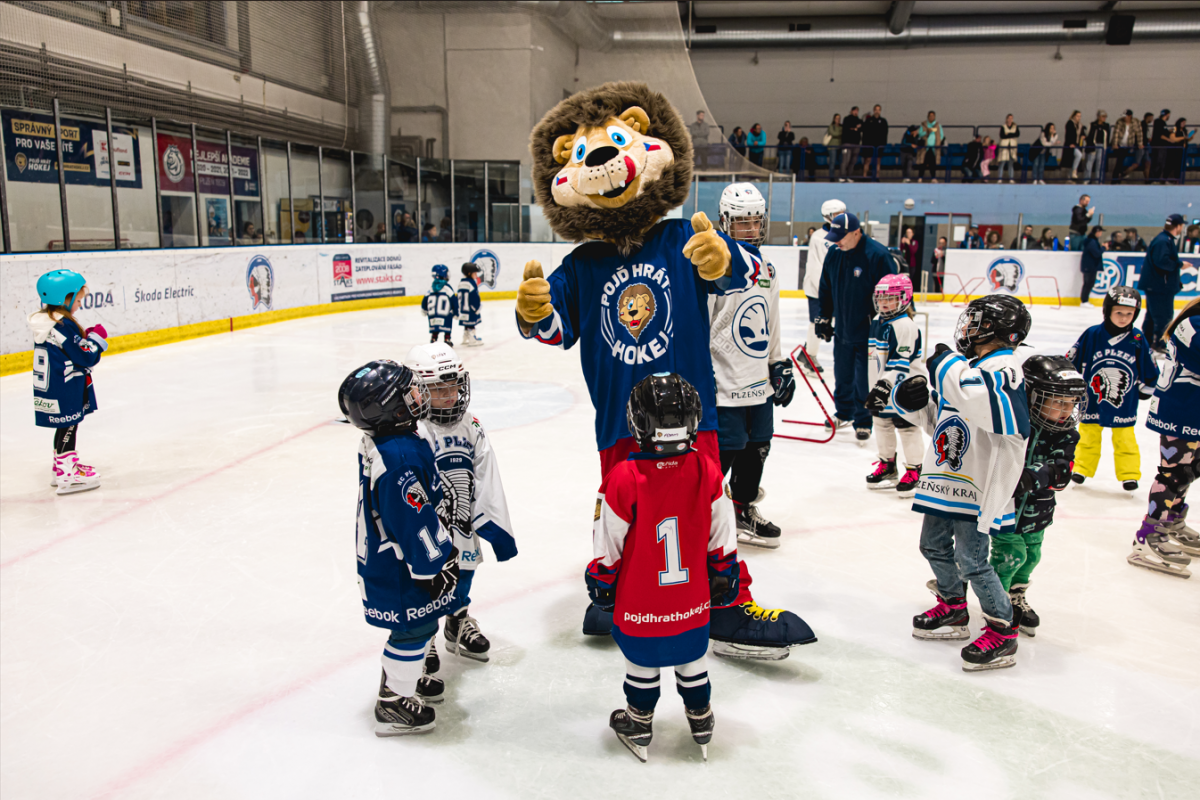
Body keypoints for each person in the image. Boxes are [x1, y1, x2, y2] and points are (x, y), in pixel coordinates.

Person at [588, 373, 742, 762]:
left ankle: (639, 721)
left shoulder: (623, 477)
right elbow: (723, 529)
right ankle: (701, 717)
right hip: (691, 600)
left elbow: (609, 541)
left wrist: (602, 579)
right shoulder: (707, 468)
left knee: (641, 662)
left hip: (640, 602)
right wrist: (724, 569)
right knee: (692, 657)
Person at [893, 294, 1032, 671]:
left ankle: (1003, 631)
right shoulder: (970, 367)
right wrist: (912, 402)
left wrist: (945, 363)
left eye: (977, 321)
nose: (968, 328)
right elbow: (943, 422)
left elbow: (982, 404)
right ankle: (954, 606)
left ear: (998, 330)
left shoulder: (1006, 368)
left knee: (972, 560)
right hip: (945, 478)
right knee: (932, 546)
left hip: (978, 486)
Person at [339, 360, 458, 736]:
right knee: (413, 628)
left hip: (393, 557)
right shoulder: (399, 460)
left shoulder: (391, 442)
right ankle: (393, 702)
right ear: (390, 409)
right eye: (409, 393)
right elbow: (411, 520)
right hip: (400, 565)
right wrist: (434, 564)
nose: (419, 395)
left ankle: (409, 677)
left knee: (420, 625)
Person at [405, 343, 517, 664]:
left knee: (464, 568)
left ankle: (457, 619)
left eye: (454, 386)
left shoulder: (472, 425)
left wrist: (492, 524)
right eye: (439, 389)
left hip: (461, 521)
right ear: (417, 390)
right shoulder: (413, 431)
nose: (450, 395)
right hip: (426, 525)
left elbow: (486, 473)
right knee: (423, 578)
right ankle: (423, 634)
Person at [709, 184, 795, 548]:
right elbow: (702, 322)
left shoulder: (767, 267)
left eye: (756, 221)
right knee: (724, 453)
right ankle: (705, 517)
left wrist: (778, 362)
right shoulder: (713, 265)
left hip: (758, 382)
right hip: (722, 382)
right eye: (743, 222)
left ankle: (742, 509)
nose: (751, 229)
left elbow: (771, 319)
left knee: (758, 447)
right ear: (725, 221)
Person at [993, 354, 1085, 637]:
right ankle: (998, 601)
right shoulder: (1015, 425)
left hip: (1038, 511)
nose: (1066, 410)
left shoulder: (1067, 435)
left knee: (1032, 556)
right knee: (1010, 554)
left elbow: (1061, 470)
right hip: (1005, 509)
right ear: (1032, 396)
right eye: (1058, 402)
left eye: (1071, 403)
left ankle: (1016, 594)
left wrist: (1032, 476)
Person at [814, 212, 899, 441]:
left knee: (864, 380)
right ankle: (844, 412)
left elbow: (893, 294)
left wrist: (888, 327)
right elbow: (825, 287)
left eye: (841, 237)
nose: (837, 242)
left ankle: (863, 420)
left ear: (856, 232)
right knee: (842, 374)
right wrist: (824, 317)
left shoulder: (877, 255)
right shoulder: (835, 253)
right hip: (843, 328)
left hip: (869, 332)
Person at [1067, 287, 1160, 492]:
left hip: (1124, 399)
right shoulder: (1092, 334)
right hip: (1092, 397)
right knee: (1088, 434)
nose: (1123, 318)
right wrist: (1069, 382)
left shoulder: (1137, 338)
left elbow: (1148, 364)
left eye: (1129, 314)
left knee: (1125, 437)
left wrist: (1148, 385)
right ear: (1107, 310)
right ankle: (1081, 468)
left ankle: (1129, 474)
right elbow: (1072, 359)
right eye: (1119, 312)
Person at [1134, 298, 1200, 577]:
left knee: (1190, 470)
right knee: (1173, 473)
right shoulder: (1193, 324)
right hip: (1179, 410)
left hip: (1192, 408)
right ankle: (1148, 534)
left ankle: (1171, 520)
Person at [28, 269, 108, 495]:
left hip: (52, 386)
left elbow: (69, 348)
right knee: (69, 426)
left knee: (64, 426)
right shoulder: (62, 325)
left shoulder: (47, 321)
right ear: (65, 298)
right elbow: (85, 356)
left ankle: (61, 468)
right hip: (65, 386)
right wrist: (96, 340)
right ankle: (67, 474)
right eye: (79, 300)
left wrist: (83, 339)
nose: (80, 305)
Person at [863, 273, 926, 494]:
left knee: (907, 427)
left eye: (889, 298)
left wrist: (883, 387)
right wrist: (875, 386)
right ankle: (888, 465)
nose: (883, 302)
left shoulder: (905, 325)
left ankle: (915, 469)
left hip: (903, 389)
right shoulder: (878, 321)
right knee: (881, 424)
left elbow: (900, 362)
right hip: (882, 387)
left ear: (904, 298)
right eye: (880, 297)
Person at [802, 199, 845, 375]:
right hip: (818, 289)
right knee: (817, 322)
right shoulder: (819, 237)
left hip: (836, 288)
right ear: (828, 216)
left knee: (834, 322)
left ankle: (807, 351)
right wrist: (825, 290)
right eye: (837, 214)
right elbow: (816, 266)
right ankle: (809, 356)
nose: (841, 217)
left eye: (842, 213)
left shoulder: (846, 234)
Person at [1139, 213, 1187, 352]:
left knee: (1153, 316)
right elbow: (1162, 261)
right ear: (1177, 226)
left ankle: (1148, 342)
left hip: (1158, 285)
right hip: (1159, 286)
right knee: (1163, 316)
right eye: (1182, 225)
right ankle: (1159, 343)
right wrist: (1179, 264)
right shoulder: (1163, 241)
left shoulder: (1165, 239)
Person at [422, 264, 457, 345]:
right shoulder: (447, 288)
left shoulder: (431, 288)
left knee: (435, 327)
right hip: (445, 315)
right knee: (447, 323)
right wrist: (456, 312)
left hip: (433, 315)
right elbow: (454, 300)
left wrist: (424, 310)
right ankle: (447, 338)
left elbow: (425, 300)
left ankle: (434, 338)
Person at [1110, 109, 1142, 184]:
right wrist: (1115, 144)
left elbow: (1139, 133)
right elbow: (1116, 133)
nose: (1124, 117)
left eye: (1126, 116)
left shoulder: (1136, 122)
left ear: (1130, 116)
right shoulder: (1120, 121)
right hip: (1120, 145)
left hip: (1129, 144)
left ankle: (1118, 177)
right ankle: (1117, 178)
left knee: (1120, 161)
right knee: (1120, 160)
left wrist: (1140, 143)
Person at [456, 262, 483, 347]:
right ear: (469, 273)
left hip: (463, 309)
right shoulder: (471, 283)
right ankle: (472, 339)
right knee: (471, 324)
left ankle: (465, 337)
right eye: (475, 273)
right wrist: (476, 308)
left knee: (466, 324)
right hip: (470, 309)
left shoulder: (461, 282)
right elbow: (474, 297)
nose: (476, 275)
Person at [1163, 117, 1195, 182]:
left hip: (1182, 150)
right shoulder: (1175, 129)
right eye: (1182, 122)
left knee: (1179, 165)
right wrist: (1184, 137)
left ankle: (1177, 179)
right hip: (1174, 150)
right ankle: (1165, 178)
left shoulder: (1184, 131)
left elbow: (1186, 139)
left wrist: (1191, 137)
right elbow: (1173, 138)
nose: (1183, 124)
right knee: (1170, 164)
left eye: (1184, 123)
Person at [1079, 225, 1105, 302]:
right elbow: (1096, 253)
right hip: (1089, 266)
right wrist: (1103, 248)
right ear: (1097, 232)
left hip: (1091, 266)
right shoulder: (1091, 241)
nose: (1101, 234)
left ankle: (1085, 300)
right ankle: (1084, 300)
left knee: (1090, 283)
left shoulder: (1092, 241)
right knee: (1088, 283)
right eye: (1100, 232)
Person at [861, 104, 888, 179]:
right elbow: (864, 133)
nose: (877, 111)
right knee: (867, 160)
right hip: (869, 144)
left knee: (878, 161)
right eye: (876, 110)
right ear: (874, 110)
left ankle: (877, 176)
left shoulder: (883, 121)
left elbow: (885, 133)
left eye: (878, 110)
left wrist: (883, 144)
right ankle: (864, 176)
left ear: (880, 111)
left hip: (879, 145)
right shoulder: (868, 120)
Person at [1082, 110, 1109, 185]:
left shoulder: (1106, 126)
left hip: (1101, 146)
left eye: (1105, 117)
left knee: (1099, 164)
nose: (1104, 118)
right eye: (1103, 116)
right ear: (1098, 117)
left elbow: (1107, 138)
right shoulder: (1092, 125)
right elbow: (1088, 135)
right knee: (1089, 163)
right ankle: (1087, 179)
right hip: (1093, 145)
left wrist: (1105, 147)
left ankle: (1099, 180)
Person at [917, 110, 943, 183]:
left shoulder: (938, 125)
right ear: (928, 117)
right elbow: (920, 134)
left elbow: (941, 136)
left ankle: (933, 177)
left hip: (934, 148)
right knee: (922, 162)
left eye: (933, 116)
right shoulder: (923, 125)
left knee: (933, 163)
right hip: (925, 148)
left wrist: (938, 143)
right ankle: (920, 177)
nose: (931, 117)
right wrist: (927, 131)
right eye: (930, 116)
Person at [840, 106, 862, 181]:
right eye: (854, 110)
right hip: (847, 143)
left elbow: (861, 128)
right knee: (846, 160)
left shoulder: (859, 120)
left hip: (856, 144)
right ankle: (842, 176)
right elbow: (847, 127)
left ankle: (849, 176)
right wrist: (854, 128)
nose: (856, 112)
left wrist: (856, 128)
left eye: (857, 111)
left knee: (853, 161)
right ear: (851, 111)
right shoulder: (847, 119)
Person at [1149, 109, 1171, 182]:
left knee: (1162, 163)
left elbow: (1164, 132)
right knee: (1157, 162)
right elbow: (1160, 134)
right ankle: (1153, 179)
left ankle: (1157, 179)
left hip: (1163, 145)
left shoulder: (1163, 123)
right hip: (1159, 145)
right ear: (1167, 115)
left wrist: (1170, 131)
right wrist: (1169, 140)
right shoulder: (1158, 122)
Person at [997, 114, 1020, 183]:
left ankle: (1011, 178)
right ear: (1006, 119)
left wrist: (1008, 134)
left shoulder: (1015, 127)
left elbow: (1017, 134)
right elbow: (1002, 135)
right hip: (1004, 147)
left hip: (1012, 147)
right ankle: (1000, 178)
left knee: (1011, 164)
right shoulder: (1003, 127)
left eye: (1011, 118)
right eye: (1009, 118)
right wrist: (1011, 135)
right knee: (1002, 163)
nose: (1010, 119)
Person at [1064, 110, 1086, 181]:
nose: (1079, 117)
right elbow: (1068, 134)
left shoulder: (1080, 125)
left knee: (1074, 160)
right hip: (1071, 145)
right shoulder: (1070, 123)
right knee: (1078, 155)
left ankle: (1070, 176)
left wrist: (1083, 136)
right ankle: (1074, 171)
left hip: (1077, 144)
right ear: (1074, 116)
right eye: (1077, 116)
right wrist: (1070, 143)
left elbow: (1082, 133)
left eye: (1080, 116)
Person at [824, 113, 843, 179]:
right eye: (837, 118)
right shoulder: (831, 126)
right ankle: (831, 178)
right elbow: (833, 133)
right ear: (834, 119)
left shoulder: (841, 127)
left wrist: (839, 134)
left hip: (840, 146)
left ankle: (841, 177)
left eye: (839, 118)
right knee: (832, 162)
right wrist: (840, 134)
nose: (838, 120)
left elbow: (843, 134)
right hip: (832, 147)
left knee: (842, 163)